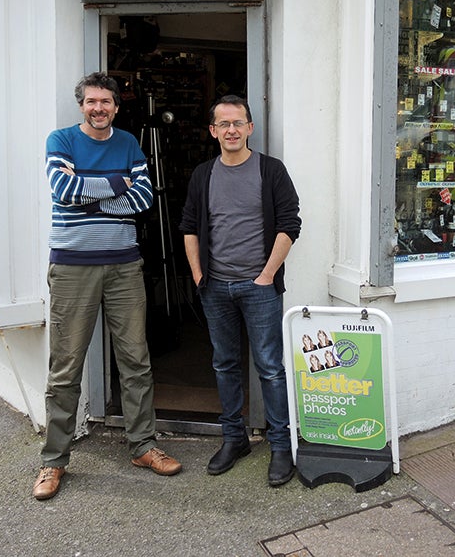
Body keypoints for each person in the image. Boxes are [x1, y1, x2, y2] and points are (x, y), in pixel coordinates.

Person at [32, 72, 182, 501]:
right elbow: (63, 190)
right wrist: (117, 184)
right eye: (91, 101)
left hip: (123, 266)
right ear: (81, 105)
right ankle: (53, 461)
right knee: (66, 367)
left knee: (135, 359)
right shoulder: (60, 140)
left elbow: (144, 199)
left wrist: (90, 192)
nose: (99, 108)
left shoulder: (129, 144)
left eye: (107, 102)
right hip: (73, 267)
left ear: (116, 106)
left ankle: (143, 445)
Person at [180, 95, 301, 487]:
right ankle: (235, 439)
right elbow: (190, 227)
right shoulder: (203, 174)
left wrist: (266, 275)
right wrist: (200, 275)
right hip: (215, 286)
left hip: (259, 287)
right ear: (213, 131)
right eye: (223, 124)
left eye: (238, 123)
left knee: (270, 367)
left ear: (250, 128)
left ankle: (281, 446)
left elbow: (290, 224)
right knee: (225, 364)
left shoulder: (271, 170)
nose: (231, 130)